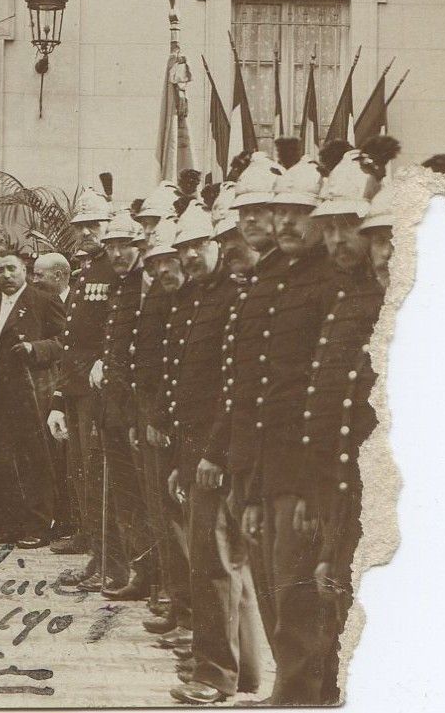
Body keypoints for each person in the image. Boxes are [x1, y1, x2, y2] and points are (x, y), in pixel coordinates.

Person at [235, 158, 337, 707]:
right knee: (275, 582)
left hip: (305, 463)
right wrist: (252, 482)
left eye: (301, 213)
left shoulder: (328, 281)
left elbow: (317, 389)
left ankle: (301, 694)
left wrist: (307, 484)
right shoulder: (274, 277)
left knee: (297, 589)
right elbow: (257, 387)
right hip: (269, 459)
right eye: (281, 211)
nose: (288, 222)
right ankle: (291, 686)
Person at [165, 201, 265, 707]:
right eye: (183, 247)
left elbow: (235, 388)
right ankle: (243, 669)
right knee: (223, 562)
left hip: (218, 449)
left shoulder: (235, 297)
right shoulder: (204, 297)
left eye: (201, 244)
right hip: (200, 446)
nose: (190, 255)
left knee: (214, 563)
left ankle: (215, 675)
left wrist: (212, 453)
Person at [296, 155, 384, 706]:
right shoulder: (345, 294)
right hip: (339, 465)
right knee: (333, 583)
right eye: (327, 229)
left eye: (347, 229)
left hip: (376, 472)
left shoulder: (390, 299)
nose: (336, 241)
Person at [47, 188, 120, 585]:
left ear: (107, 227)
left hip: (97, 388)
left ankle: (109, 562)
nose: (87, 232)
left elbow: (112, 328)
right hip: (75, 388)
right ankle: (96, 556)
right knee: (81, 472)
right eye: (81, 227)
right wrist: (59, 397)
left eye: (94, 225)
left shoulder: (112, 271)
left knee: (96, 473)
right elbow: (70, 342)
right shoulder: (85, 272)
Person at [0, 251, 65, 546]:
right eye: (0, 270)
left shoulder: (42, 301)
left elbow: (66, 341)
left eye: (12, 269)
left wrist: (34, 348)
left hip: (27, 391)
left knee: (32, 458)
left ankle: (37, 526)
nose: (6, 275)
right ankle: (4, 523)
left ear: (24, 270)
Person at [129, 222, 191, 639]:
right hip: (155, 413)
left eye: (170, 261)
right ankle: (178, 603)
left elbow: (180, 367)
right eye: (156, 263)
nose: (163, 269)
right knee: (164, 515)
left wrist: (162, 418)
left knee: (180, 519)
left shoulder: (189, 299)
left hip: (175, 421)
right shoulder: (160, 294)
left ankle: (187, 613)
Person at [94, 211, 151, 602]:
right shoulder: (118, 287)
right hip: (114, 404)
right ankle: (141, 570)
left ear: (138, 246)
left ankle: (155, 578)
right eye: (111, 247)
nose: (116, 253)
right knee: (126, 492)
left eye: (123, 246)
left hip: (134, 406)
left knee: (144, 492)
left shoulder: (145, 285)